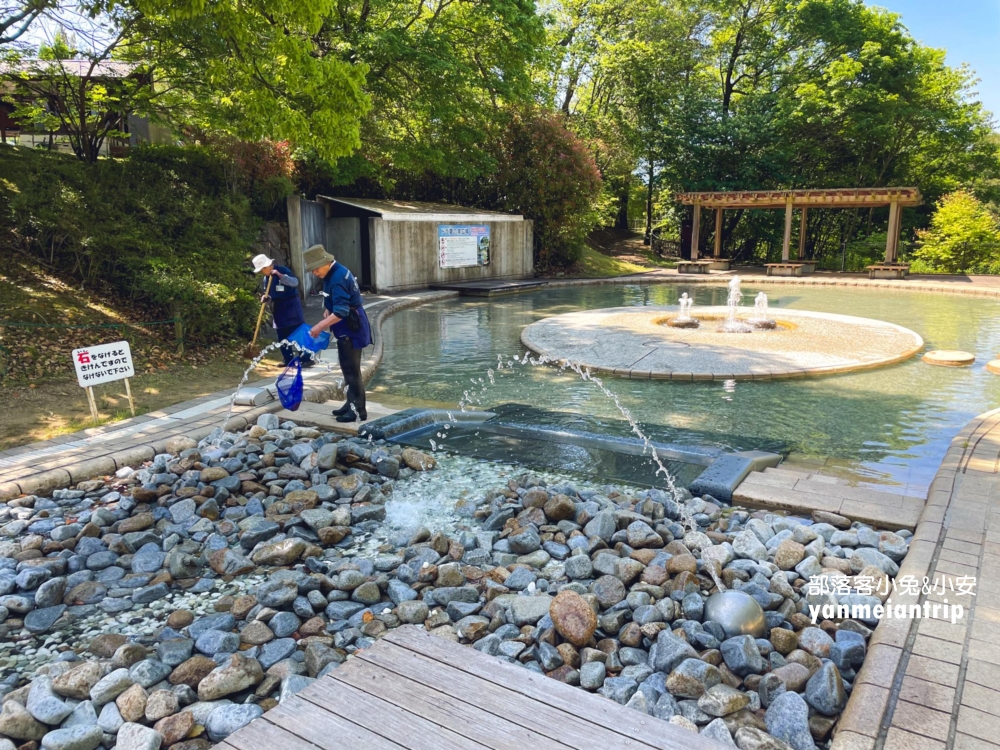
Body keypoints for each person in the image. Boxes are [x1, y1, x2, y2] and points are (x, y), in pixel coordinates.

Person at [304, 244, 371, 422]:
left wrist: (319, 326)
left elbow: (341, 311)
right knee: (346, 368)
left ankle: (358, 411)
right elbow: (335, 301)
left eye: (316, 268)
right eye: (312, 270)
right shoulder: (334, 271)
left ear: (326, 262)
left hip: (351, 326)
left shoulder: (337, 277)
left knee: (352, 370)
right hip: (347, 324)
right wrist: (328, 309)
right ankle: (350, 403)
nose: (314, 273)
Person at [251, 253, 314, 368]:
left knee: (297, 332)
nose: (261, 273)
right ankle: (288, 359)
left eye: (262, 270)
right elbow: (269, 294)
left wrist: (280, 275)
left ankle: (306, 358)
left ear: (267, 266)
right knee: (282, 335)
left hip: (291, 305)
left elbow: (294, 282)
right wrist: (266, 298)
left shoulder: (282, 270)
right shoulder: (266, 279)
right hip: (279, 307)